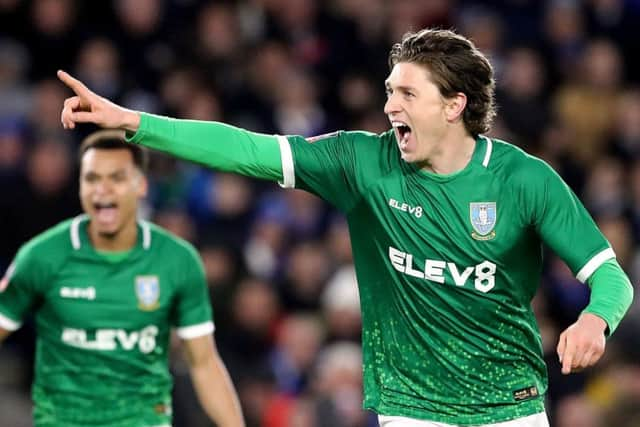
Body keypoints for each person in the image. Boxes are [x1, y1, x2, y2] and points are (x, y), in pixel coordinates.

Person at [57, 28, 634, 427]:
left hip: (511, 403)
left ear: (454, 106)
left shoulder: (523, 180)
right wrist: (134, 122)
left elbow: (611, 277)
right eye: (389, 91)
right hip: (413, 404)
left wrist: (594, 320)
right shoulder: (361, 162)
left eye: (407, 93)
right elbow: (245, 149)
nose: (390, 106)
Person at [0, 130, 245, 427]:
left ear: (140, 185)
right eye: (92, 178)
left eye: (116, 178)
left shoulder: (177, 260)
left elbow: (204, 364)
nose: (102, 190)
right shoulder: (42, 256)